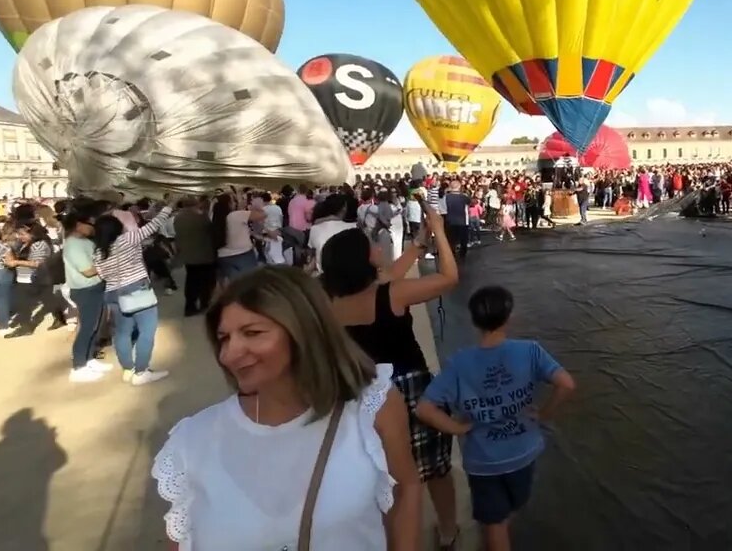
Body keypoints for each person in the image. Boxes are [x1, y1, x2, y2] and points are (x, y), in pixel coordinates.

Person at [151, 267, 422, 550]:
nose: (230, 354)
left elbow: (405, 488)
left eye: (252, 332)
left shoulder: (371, 407)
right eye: (224, 338)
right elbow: (182, 540)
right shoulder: (192, 442)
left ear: (303, 330)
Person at [321, 200, 462, 550]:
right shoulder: (391, 295)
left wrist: (417, 243)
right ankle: (447, 531)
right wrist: (440, 234)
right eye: (371, 244)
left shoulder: (330, 300)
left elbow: (390, 276)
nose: (378, 246)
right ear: (363, 258)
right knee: (436, 468)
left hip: (365, 394)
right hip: (411, 391)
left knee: (388, 473)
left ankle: (391, 536)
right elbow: (449, 278)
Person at [416, 286, 576, 551]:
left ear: (474, 321)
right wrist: (544, 414)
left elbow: (424, 408)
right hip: (524, 453)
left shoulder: (460, 363)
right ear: (508, 316)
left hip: (484, 461)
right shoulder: (530, 351)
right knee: (508, 512)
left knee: (495, 523)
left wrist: (456, 428)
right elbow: (567, 384)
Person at [92, 204, 173, 385]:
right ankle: (141, 372)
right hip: (137, 288)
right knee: (147, 331)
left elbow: (102, 275)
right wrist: (167, 208)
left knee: (121, 333)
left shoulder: (98, 252)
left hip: (112, 293)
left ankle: (128, 368)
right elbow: (154, 225)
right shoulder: (128, 239)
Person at [61, 209, 112, 382]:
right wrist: (109, 265)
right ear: (78, 225)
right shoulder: (73, 244)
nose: (93, 227)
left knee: (95, 327)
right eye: (89, 223)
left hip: (95, 287)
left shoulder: (85, 242)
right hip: (85, 290)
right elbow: (88, 271)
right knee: (87, 329)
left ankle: (89, 359)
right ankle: (78, 366)